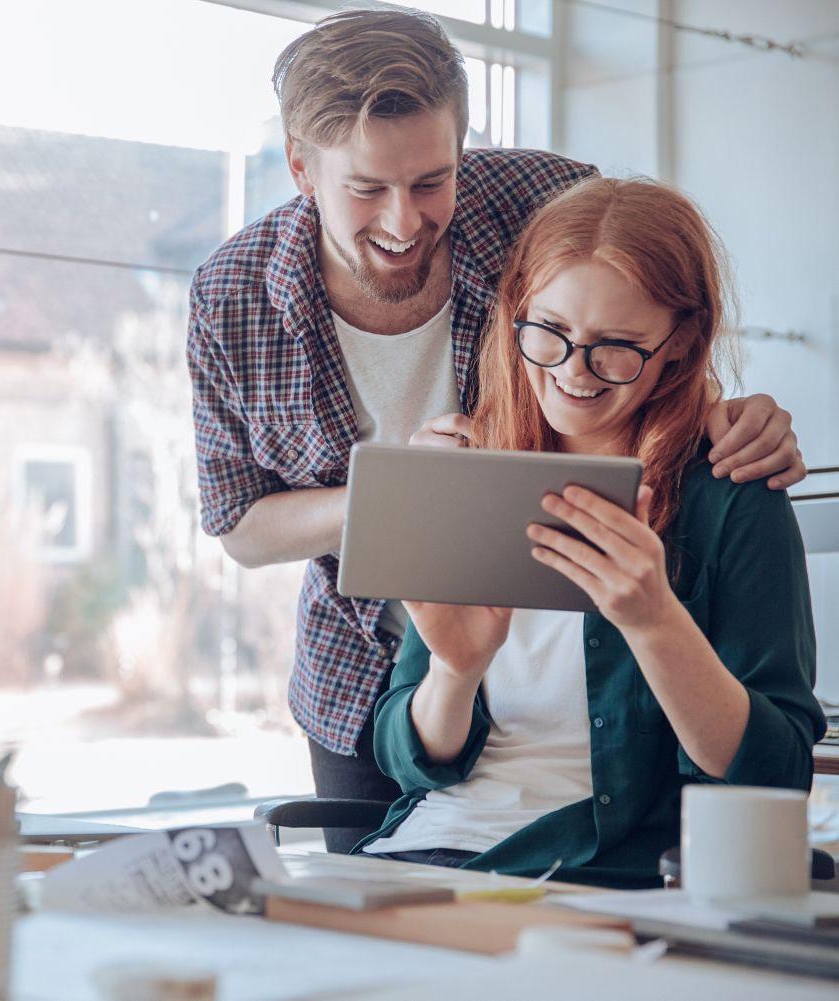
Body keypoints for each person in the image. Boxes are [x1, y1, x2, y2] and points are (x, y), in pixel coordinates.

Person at [185, 8, 807, 852]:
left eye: (432, 181)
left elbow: (635, 266)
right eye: (367, 188)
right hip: (374, 662)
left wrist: (713, 412)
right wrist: (415, 500)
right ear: (301, 167)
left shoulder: (534, 201)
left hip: (588, 821)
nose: (404, 222)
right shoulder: (234, 297)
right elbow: (240, 527)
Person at [356, 177, 825, 888]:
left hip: (587, 870)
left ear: (681, 341)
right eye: (548, 331)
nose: (573, 372)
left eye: (617, 347)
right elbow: (406, 756)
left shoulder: (731, 496)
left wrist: (654, 620)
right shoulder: (467, 468)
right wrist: (456, 670)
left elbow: (777, 771)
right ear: (516, 308)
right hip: (424, 853)